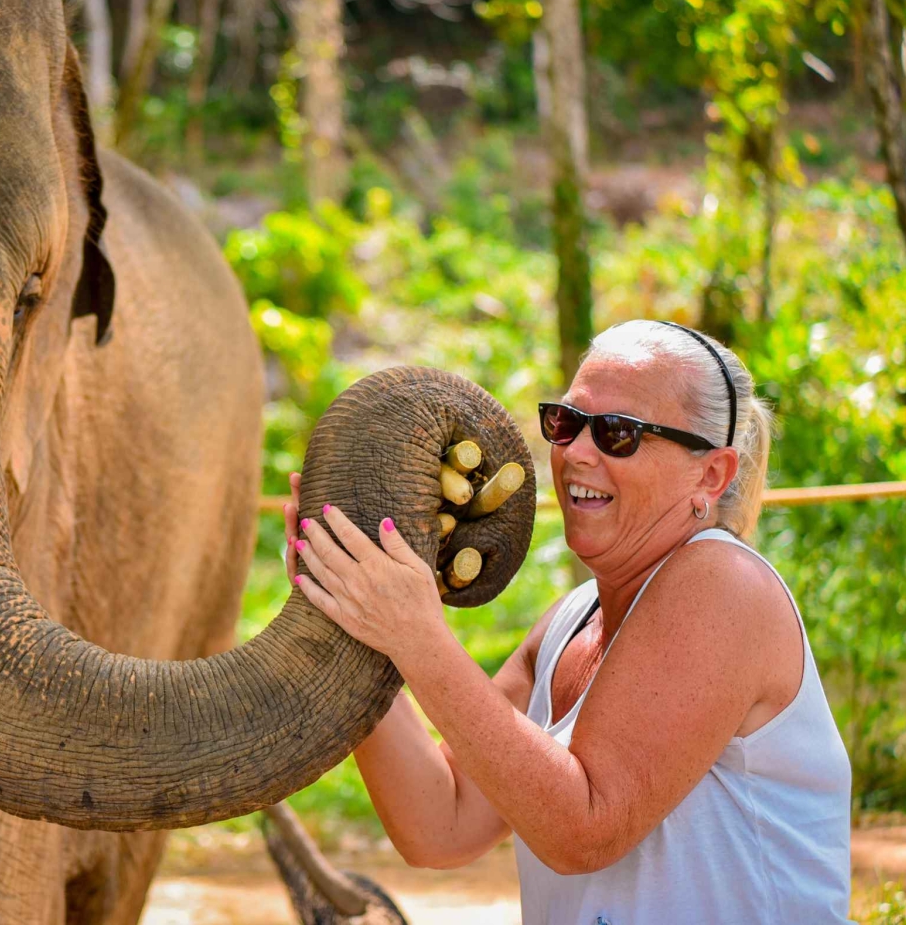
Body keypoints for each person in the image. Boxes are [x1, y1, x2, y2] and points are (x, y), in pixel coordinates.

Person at [284, 320, 852, 924]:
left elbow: (584, 831)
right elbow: (440, 824)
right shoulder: (568, 622)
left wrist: (417, 636)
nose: (576, 451)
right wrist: (355, 618)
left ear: (711, 474)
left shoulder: (724, 584)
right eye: (566, 422)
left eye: (618, 433)